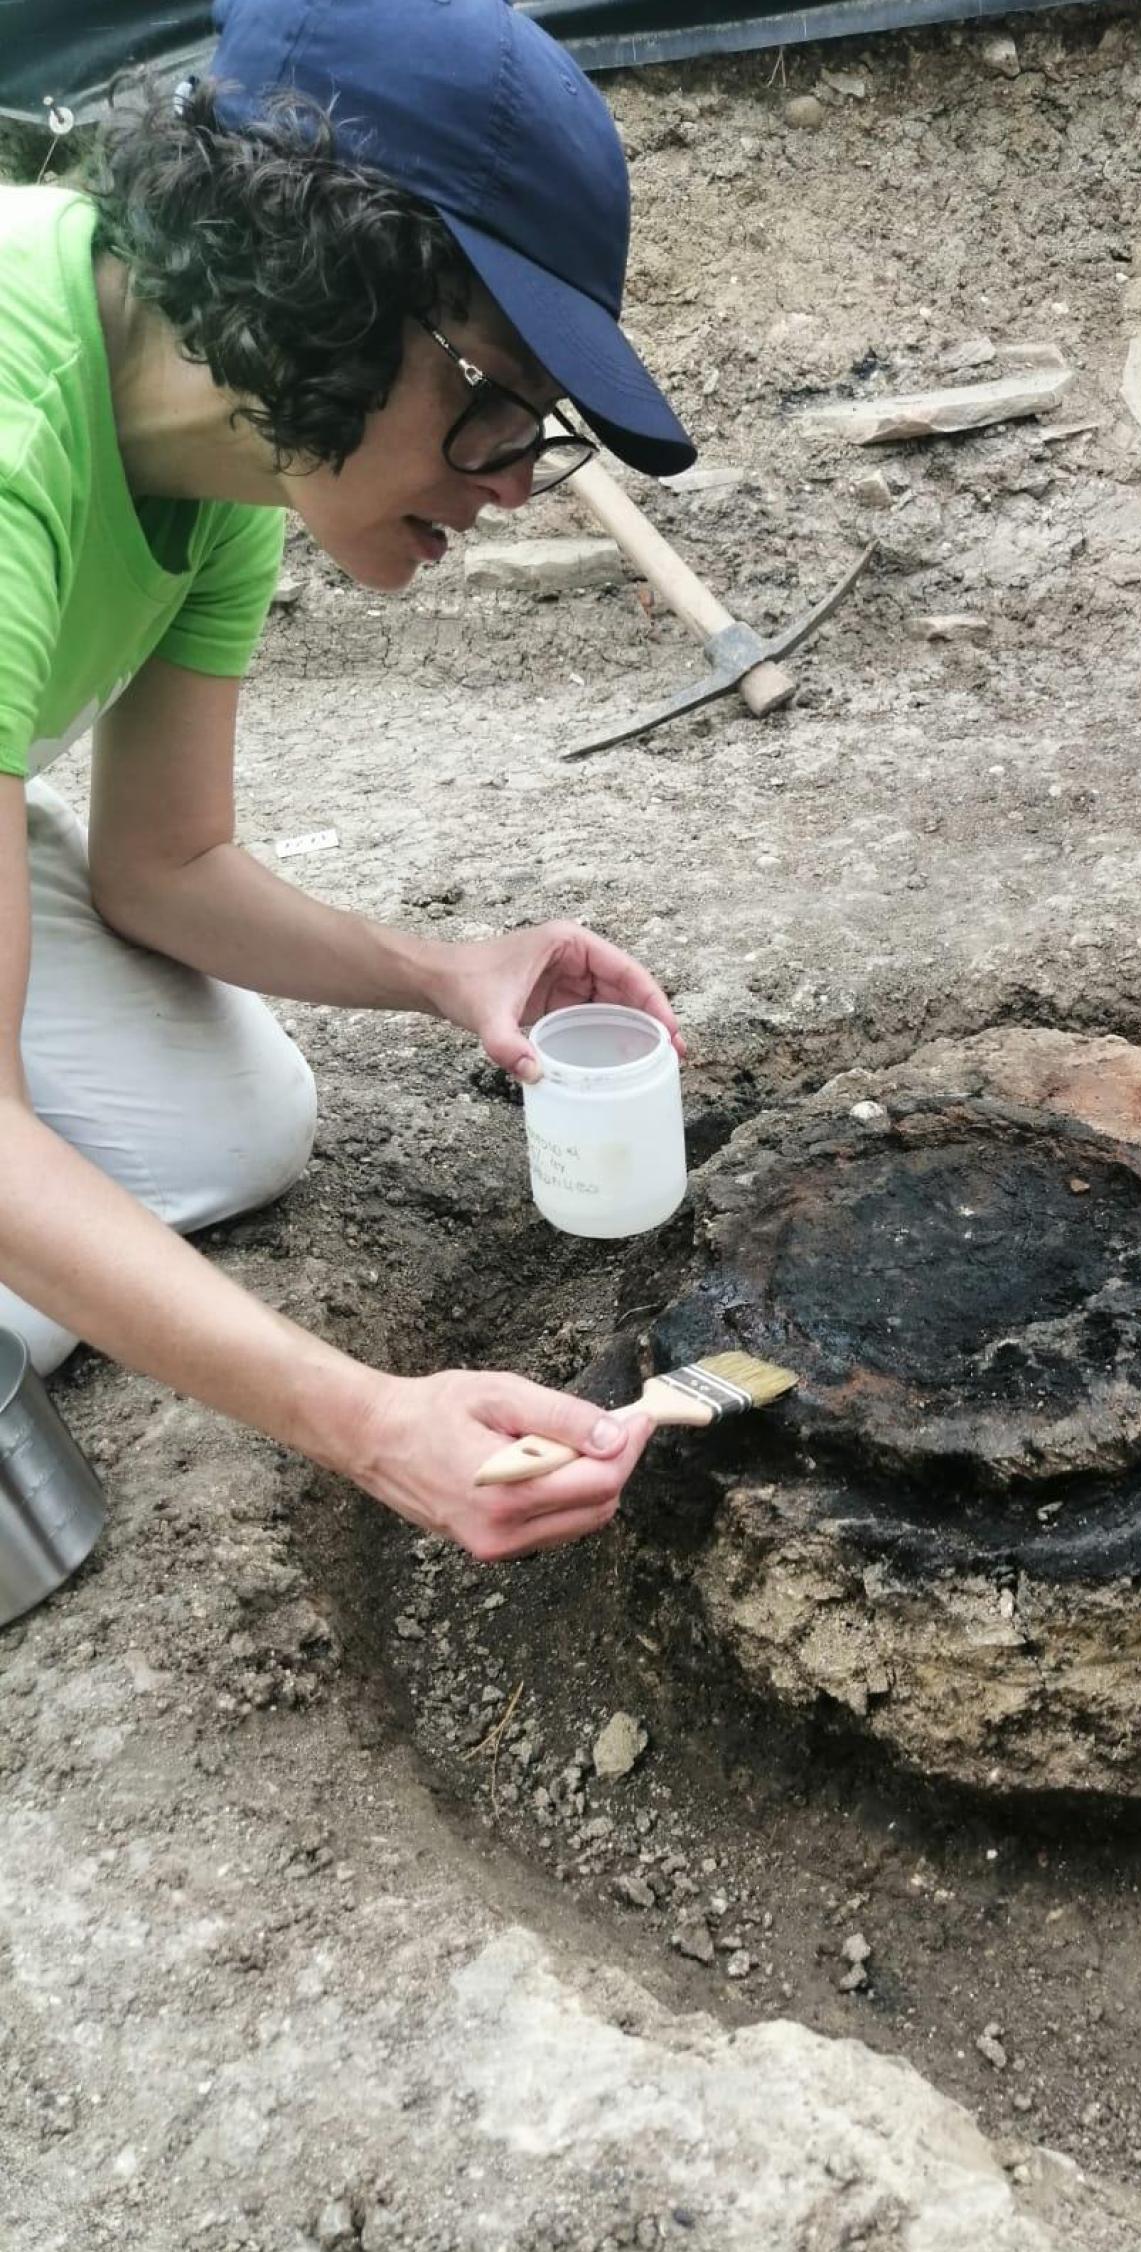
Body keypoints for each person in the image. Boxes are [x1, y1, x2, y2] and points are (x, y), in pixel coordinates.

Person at [0, 0, 701, 1561]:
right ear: (332, 281)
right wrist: (372, 1422)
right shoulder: (11, 421)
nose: (520, 477)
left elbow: (160, 868)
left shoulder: (232, 448)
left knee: (227, 1128)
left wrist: (451, 974)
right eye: (500, 397)